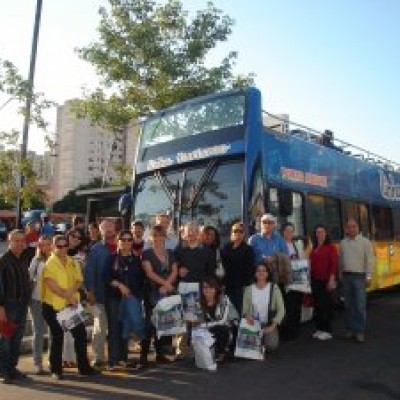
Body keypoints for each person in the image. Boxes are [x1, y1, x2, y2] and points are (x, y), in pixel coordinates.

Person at [41, 235, 97, 380]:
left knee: (80, 335)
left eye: (64, 245)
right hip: (53, 306)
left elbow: (79, 281)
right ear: (53, 247)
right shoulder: (50, 263)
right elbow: (51, 284)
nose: (61, 249)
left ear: (68, 246)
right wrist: (69, 297)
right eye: (58, 246)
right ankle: (56, 370)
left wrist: (71, 296)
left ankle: (84, 368)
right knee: (57, 336)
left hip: (70, 306)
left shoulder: (73, 262)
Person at [105, 230, 144, 370]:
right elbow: (106, 278)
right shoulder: (111, 258)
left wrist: (136, 297)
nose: (126, 242)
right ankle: (113, 361)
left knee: (125, 328)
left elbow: (141, 280)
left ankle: (123, 358)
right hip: (114, 298)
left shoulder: (136, 259)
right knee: (114, 328)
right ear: (118, 241)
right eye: (123, 239)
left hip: (131, 299)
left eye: (129, 240)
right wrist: (119, 285)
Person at [141, 225, 178, 367]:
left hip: (166, 291)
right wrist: (165, 284)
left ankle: (159, 354)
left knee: (162, 324)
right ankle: (143, 356)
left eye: (161, 235)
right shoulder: (147, 253)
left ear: (165, 237)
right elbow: (149, 272)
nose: (158, 238)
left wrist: (167, 286)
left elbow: (174, 271)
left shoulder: (170, 252)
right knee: (149, 324)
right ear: (151, 237)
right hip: (152, 292)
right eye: (155, 235)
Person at [0, 230, 31, 384]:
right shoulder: (3, 261)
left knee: (17, 338)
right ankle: (3, 370)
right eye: (15, 241)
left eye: (21, 241)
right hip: (8, 305)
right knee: (5, 339)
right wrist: (1, 308)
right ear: (9, 241)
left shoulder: (23, 259)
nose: (19, 244)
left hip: (22, 304)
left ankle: (12, 368)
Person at [85, 219, 116, 367]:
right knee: (100, 326)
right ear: (100, 231)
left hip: (117, 297)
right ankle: (98, 356)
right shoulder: (95, 250)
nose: (108, 229)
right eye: (105, 227)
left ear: (115, 228)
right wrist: (90, 292)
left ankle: (115, 355)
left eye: (110, 227)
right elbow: (89, 272)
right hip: (99, 296)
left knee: (116, 327)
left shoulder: (121, 246)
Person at [339, 218, 374, 343]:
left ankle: (359, 331)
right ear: (346, 229)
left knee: (359, 305)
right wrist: (340, 277)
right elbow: (341, 261)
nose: (351, 229)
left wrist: (368, 277)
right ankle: (350, 329)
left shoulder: (365, 242)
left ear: (358, 228)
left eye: (354, 226)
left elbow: (369, 261)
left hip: (360, 277)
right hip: (346, 277)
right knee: (348, 305)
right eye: (349, 227)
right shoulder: (343, 243)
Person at [242, 263, 285, 353]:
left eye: (264, 270)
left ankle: (260, 343)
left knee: (272, 345)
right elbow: (245, 309)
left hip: (268, 324)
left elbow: (281, 309)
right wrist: (247, 316)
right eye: (258, 270)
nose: (261, 273)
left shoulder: (274, 288)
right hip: (253, 324)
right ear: (255, 273)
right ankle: (257, 343)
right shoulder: (248, 289)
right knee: (248, 347)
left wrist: (273, 326)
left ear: (268, 273)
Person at [198, 276, 238, 361]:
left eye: (211, 287)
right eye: (205, 287)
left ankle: (222, 352)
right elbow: (197, 321)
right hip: (208, 330)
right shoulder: (199, 302)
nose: (207, 290)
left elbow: (223, 321)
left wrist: (205, 325)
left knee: (221, 329)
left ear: (216, 288)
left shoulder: (224, 299)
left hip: (227, 328)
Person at [28, 234, 52, 374]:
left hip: (53, 301)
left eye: (49, 244)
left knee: (53, 332)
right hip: (37, 300)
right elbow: (30, 279)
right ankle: (38, 363)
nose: (46, 247)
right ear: (40, 246)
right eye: (43, 244)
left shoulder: (57, 260)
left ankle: (51, 360)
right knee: (38, 332)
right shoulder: (36, 261)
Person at [309, 224, 338, 341]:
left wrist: (331, 279)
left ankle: (327, 330)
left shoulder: (331, 247)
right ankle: (319, 329)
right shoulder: (315, 247)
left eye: (321, 232)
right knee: (317, 305)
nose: (319, 234)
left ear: (326, 234)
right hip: (315, 280)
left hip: (325, 280)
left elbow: (333, 265)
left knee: (325, 306)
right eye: (317, 232)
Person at [280, 222, 307, 341]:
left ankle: (296, 330)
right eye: (287, 231)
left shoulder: (298, 244)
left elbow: (303, 260)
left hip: (299, 278)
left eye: (291, 231)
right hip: (287, 279)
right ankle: (288, 332)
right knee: (289, 306)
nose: (289, 233)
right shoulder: (280, 245)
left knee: (297, 305)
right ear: (283, 232)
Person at [221, 222, 254, 316]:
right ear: (232, 232)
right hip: (226, 286)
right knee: (227, 314)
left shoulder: (248, 249)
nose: (238, 233)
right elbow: (222, 266)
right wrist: (222, 283)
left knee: (240, 312)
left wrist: (246, 286)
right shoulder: (226, 247)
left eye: (241, 231)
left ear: (244, 234)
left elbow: (249, 269)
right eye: (235, 231)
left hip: (240, 287)